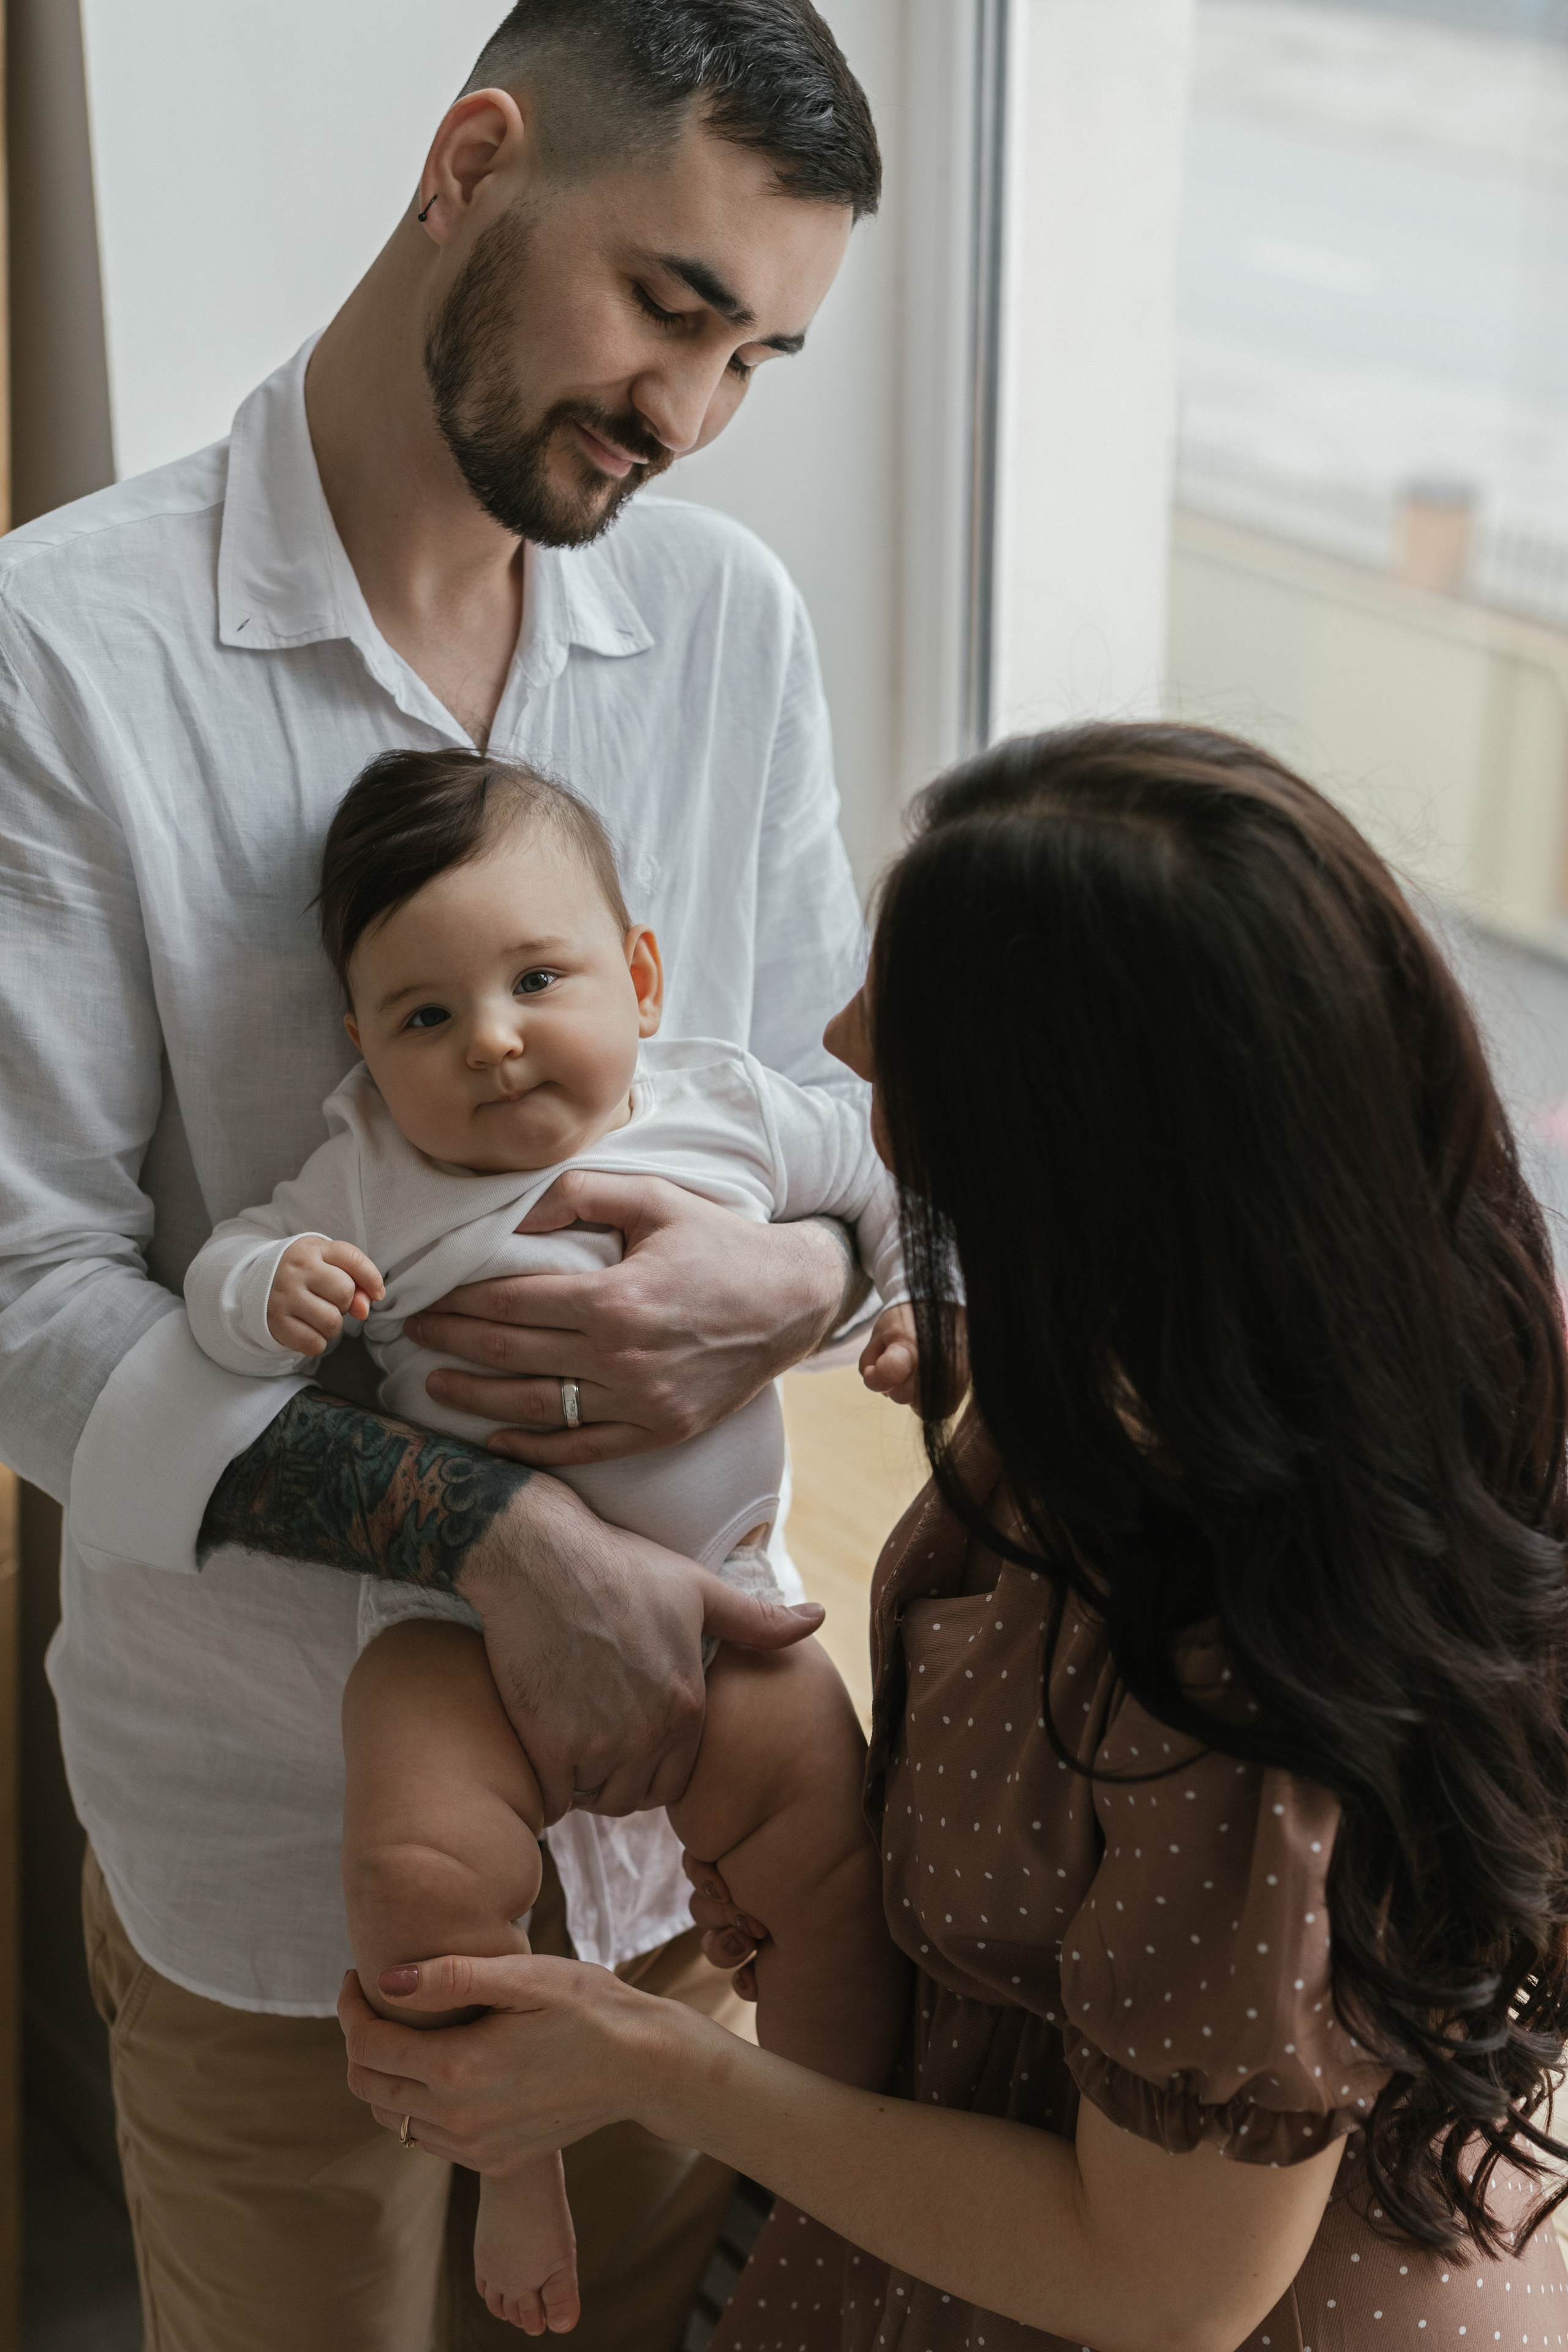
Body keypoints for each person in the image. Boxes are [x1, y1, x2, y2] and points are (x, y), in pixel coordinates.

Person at [0, 5, 884, 2346]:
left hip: (693, 1801)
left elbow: (849, 1119)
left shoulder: (724, 623)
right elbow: (20, 1296)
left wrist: (790, 1285)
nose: (690, 416)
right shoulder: (61, 657)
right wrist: (498, 1546)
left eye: (759, 356)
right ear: (470, 162)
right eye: (672, 308)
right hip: (286, 1858)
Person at [341, 722, 1568, 2352]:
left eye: (898, 1015)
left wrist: (649, 2065)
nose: (843, 1039)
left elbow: (1167, 2286)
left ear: (1063, 1147)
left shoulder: (1229, 1690)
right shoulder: (1168, 1379)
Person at [182, 745, 916, 2331]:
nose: (494, 1039)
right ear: (366, 1054)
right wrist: (269, 1287)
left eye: (538, 978)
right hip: (450, 1634)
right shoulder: (368, 1174)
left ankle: (846, 2163)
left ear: (640, 977)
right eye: (425, 1017)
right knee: (415, 1869)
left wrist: (883, 1297)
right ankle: (514, 2162)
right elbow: (222, 1271)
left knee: (830, 1848)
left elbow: (885, 1187)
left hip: (730, 1606)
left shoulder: (729, 1105)